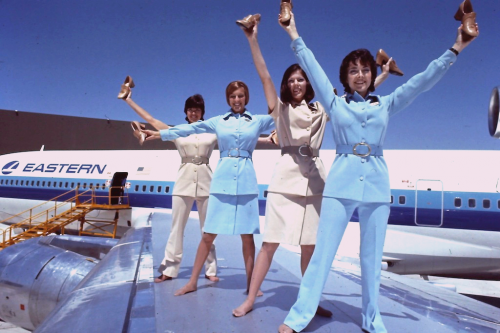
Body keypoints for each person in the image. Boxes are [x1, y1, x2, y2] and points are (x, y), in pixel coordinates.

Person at [277, 13, 478, 333]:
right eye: (353, 70)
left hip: (375, 183)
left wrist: (456, 47)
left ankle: (372, 319)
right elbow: (312, 67)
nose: (360, 75)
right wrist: (293, 32)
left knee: (371, 260)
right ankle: (300, 314)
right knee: (322, 253)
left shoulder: (385, 104)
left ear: (372, 75)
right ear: (345, 76)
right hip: (341, 181)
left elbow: (420, 82)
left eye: (365, 69)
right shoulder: (335, 103)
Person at [232, 17, 391, 317]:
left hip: (316, 180)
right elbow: (264, 76)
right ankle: (251, 298)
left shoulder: (322, 109)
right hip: (286, 177)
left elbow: (353, 103)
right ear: (287, 85)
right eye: (291, 80)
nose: (296, 83)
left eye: (301, 79)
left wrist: (380, 77)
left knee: (309, 248)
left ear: (308, 84)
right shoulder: (279, 108)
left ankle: (309, 302)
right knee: (270, 244)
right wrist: (252, 38)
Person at [143, 81, 275, 296]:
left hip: (246, 180)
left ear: (246, 97)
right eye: (232, 96)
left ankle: (251, 285)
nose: (237, 100)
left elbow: (279, 113)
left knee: (248, 236)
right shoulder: (218, 122)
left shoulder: (258, 121)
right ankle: (192, 281)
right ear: (228, 99)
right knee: (208, 234)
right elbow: (189, 128)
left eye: (241, 96)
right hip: (221, 180)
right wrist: (158, 135)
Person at [119, 85, 219, 283]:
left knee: (207, 229)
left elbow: (238, 137)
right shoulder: (177, 132)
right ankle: (169, 269)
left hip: (207, 183)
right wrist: (128, 100)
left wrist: (269, 139)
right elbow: (152, 120)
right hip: (183, 183)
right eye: (190, 109)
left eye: (197, 109)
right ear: (185, 112)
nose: (193, 112)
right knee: (176, 229)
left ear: (202, 112)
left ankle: (211, 269)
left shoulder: (212, 133)